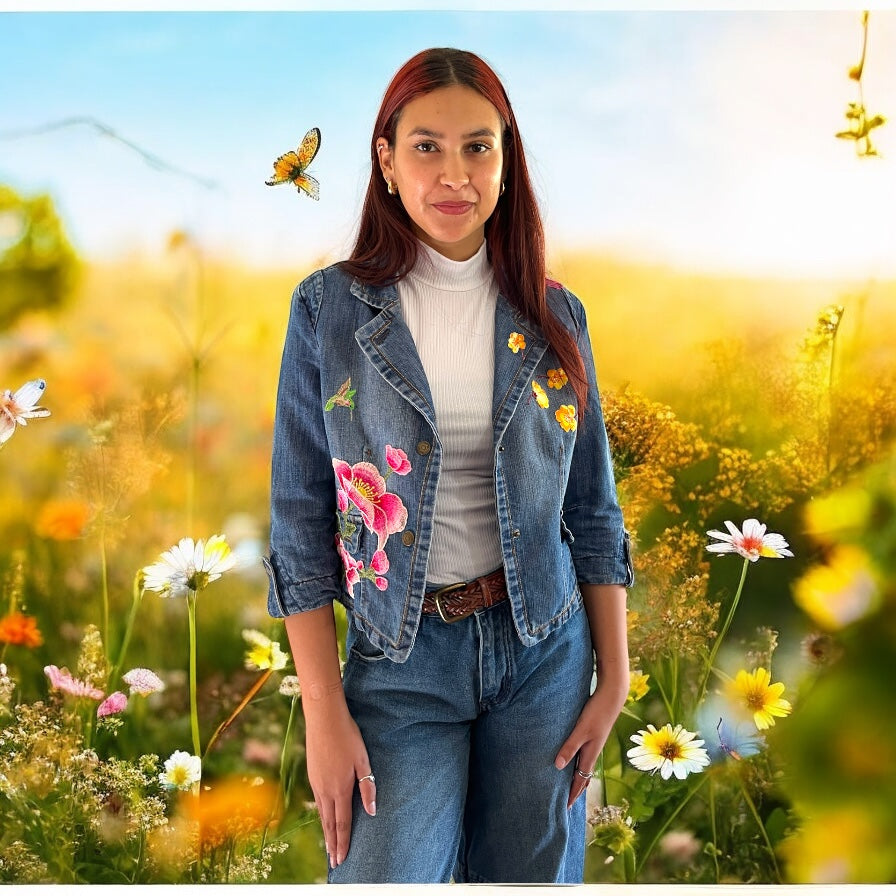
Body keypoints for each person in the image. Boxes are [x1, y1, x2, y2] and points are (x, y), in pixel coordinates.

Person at [265, 46, 633, 884]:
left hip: (543, 647)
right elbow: (299, 519)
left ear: (507, 162)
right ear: (386, 162)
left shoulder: (555, 315)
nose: (454, 173)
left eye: (479, 146)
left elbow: (593, 508)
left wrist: (613, 676)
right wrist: (324, 712)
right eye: (426, 146)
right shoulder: (328, 310)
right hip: (401, 661)